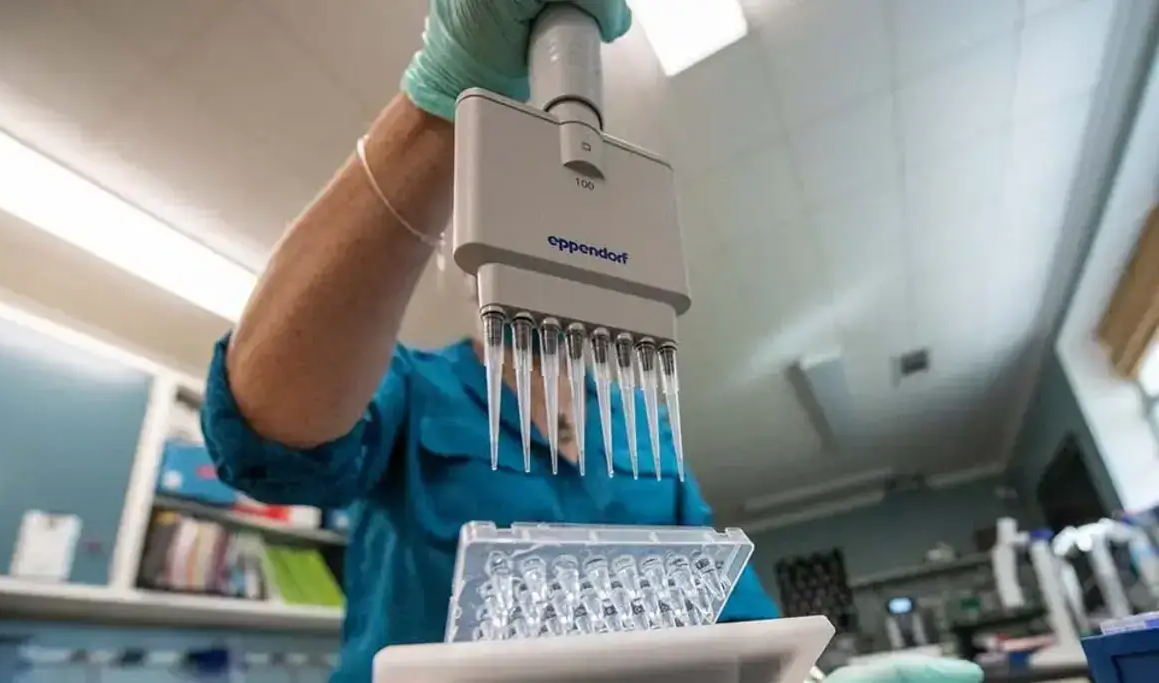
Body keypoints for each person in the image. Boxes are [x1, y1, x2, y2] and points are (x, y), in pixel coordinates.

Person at [202, 2, 984, 682]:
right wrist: (441, 104)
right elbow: (268, 432)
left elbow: (742, 629)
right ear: (473, 266)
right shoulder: (412, 392)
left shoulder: (647, 444)